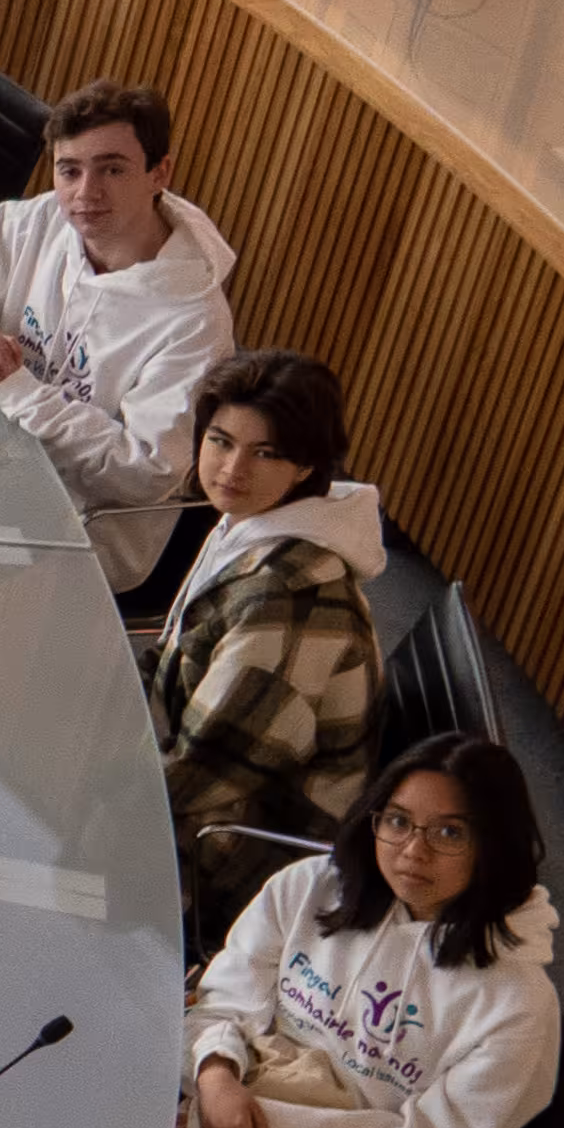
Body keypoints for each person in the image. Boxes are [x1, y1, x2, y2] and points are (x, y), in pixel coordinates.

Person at [183, 733, 559, 1128]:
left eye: (449, 833)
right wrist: (214, 1075)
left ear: (494, 845)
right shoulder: (310, 887)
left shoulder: (517, 1002)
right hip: (221, 1114)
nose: (413, 851)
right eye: (399, 822)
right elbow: (219, 1005)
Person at [0, 78, 241, 590]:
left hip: (80, 528)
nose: (85, 194)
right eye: (68, 170)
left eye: (112, 169)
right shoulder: (42, 221)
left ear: (159, 173)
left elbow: (145, 471)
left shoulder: (195, 322)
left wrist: (16, 391)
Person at [154, 350, 383, 952]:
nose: (232, 469)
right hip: (206, 788)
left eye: (266, 453)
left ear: (306, 465)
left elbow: (205, 774)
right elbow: (175, 659)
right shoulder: (251, 526)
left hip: (237, 860)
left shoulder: (286, 597)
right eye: (220, 440)